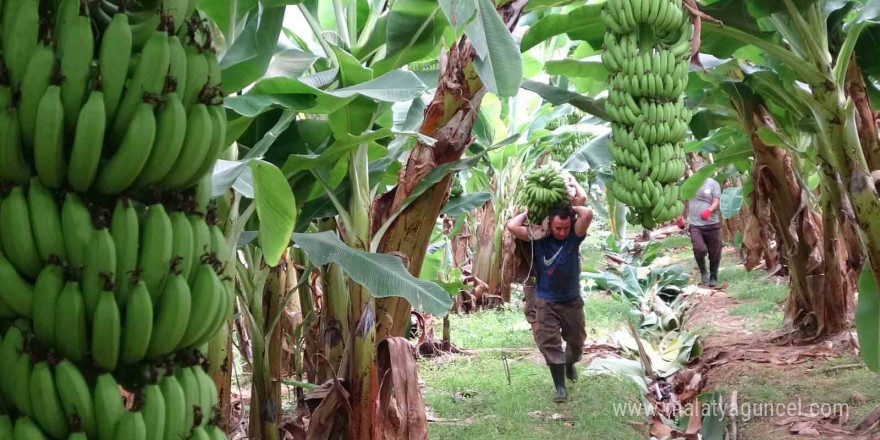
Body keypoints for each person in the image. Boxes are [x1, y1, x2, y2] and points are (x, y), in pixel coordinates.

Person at [506, 186, 592, 403]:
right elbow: (512, 226)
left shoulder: (575, 236)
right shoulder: (539, 238)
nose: (562, 232)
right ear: (548, 223)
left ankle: (570, 363)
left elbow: (587, 213)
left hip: (572, 300)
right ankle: (560, 388)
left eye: (565, 227)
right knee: (549, 341)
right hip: (546, 299)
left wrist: (571, 208)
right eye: (557, 227)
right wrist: (529, 213)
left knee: (577, 340)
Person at [684, 161, 722, 286]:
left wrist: (709, 210)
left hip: (712, 224)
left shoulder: (713, 184)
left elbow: (716, 200)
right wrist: (680, 217)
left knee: (715, 252)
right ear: (694, 171)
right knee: (698, 249)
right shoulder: (689, 184)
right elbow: (684, 202)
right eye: (697, 171)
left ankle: (713, 276)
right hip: (695, 224)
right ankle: (703, 271)